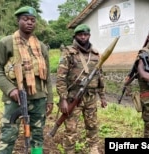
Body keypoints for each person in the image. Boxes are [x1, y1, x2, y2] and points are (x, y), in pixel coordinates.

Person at [0, 6, 53, 154]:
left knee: (37, 134)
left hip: (39, 98)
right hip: (15, 98)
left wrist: (49, 99)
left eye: (33, 20)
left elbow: (48, 76)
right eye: (25, 19)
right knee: (9, 134)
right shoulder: (6, 43)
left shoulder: (42, 47)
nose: (30, 23)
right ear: (18, 20)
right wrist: (10, 89)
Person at [56, 24, 107, 154]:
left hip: (91, 97)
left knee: (92, 125)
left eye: (85, 34)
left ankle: (93, 148)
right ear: (75, 36)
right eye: (80, 34)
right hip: (74, 97)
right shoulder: (68, 52)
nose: (83, 37)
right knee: (71, 127)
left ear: (89, 36)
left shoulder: (95, 54)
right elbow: (61, 77)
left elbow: (100, 77)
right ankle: (69, 150)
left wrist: (102, 97)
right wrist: (63, 99)